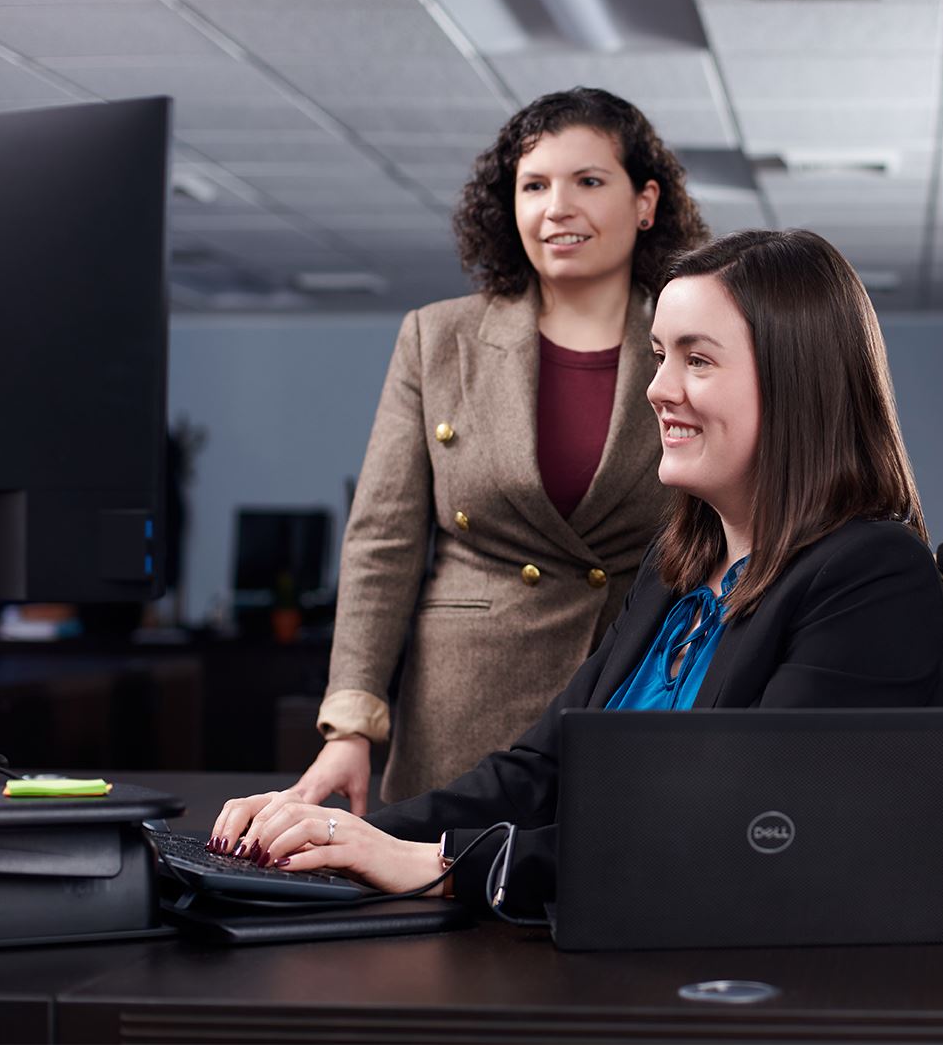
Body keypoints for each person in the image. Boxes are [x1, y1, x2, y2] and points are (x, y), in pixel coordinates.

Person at [211, 230, 943, 908]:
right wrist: (323, 834)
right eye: (659, 354)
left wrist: (443, 865)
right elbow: (536, 775)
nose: (658, 389)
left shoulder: (873, 576)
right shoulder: (675, 569)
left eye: (697, 358)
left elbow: (734, 835)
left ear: (798, 385)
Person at [299, 89, 709, 809]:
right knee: (441, 907)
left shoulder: (695, 342)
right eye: (534, 185)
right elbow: (382, 543)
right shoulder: (437, 338)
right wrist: (351, 727)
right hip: (464, 704)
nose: (557, 207)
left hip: (637, 686)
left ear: (645, 203)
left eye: (588, 181)